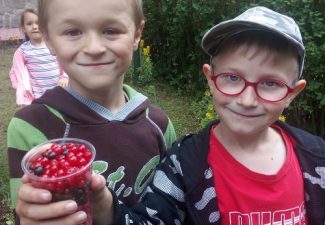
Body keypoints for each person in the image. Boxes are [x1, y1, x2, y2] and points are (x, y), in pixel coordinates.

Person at [93, 6, 325, 225]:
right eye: (233, 78)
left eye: (271, 83)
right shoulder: (183, 164)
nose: (247, 100)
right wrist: (103, 205)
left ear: (292, 94)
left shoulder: (317, 158)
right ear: (210, 80)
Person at [7, 0, 176, 224]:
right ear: (48, 40)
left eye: (111, 31)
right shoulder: (30, 126)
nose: (94, 48)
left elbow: (172, 208)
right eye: (73, 32)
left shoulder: (159, 124)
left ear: (136, 35)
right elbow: (25, 214)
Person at [9, 8, 69, 106]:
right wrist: (22, 87)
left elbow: (67, 61)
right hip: (38, 96)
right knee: (41, 119)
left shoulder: (54, 45)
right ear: (23, 28)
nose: (35, 27)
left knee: (61, 118)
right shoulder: (23, 50)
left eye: (38, 23)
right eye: (29, 24)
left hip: (59, 91)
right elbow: (15, 71)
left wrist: (65, 77)